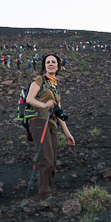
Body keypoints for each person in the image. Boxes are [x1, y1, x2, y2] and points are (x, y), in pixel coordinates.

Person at [25, 54, 76, 200]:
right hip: (39, 120)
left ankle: (50, 192)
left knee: (52, 161)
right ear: (44, 66)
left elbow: (60, 113)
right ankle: (45, 194)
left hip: (52, 124)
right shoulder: (40, 80)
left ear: (58, 66)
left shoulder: (55, 87)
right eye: (48, 62)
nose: (51, 64)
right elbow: (30, 98)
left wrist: (67, 134)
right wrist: (44, 105)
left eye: (54, 62)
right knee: (45, 159)